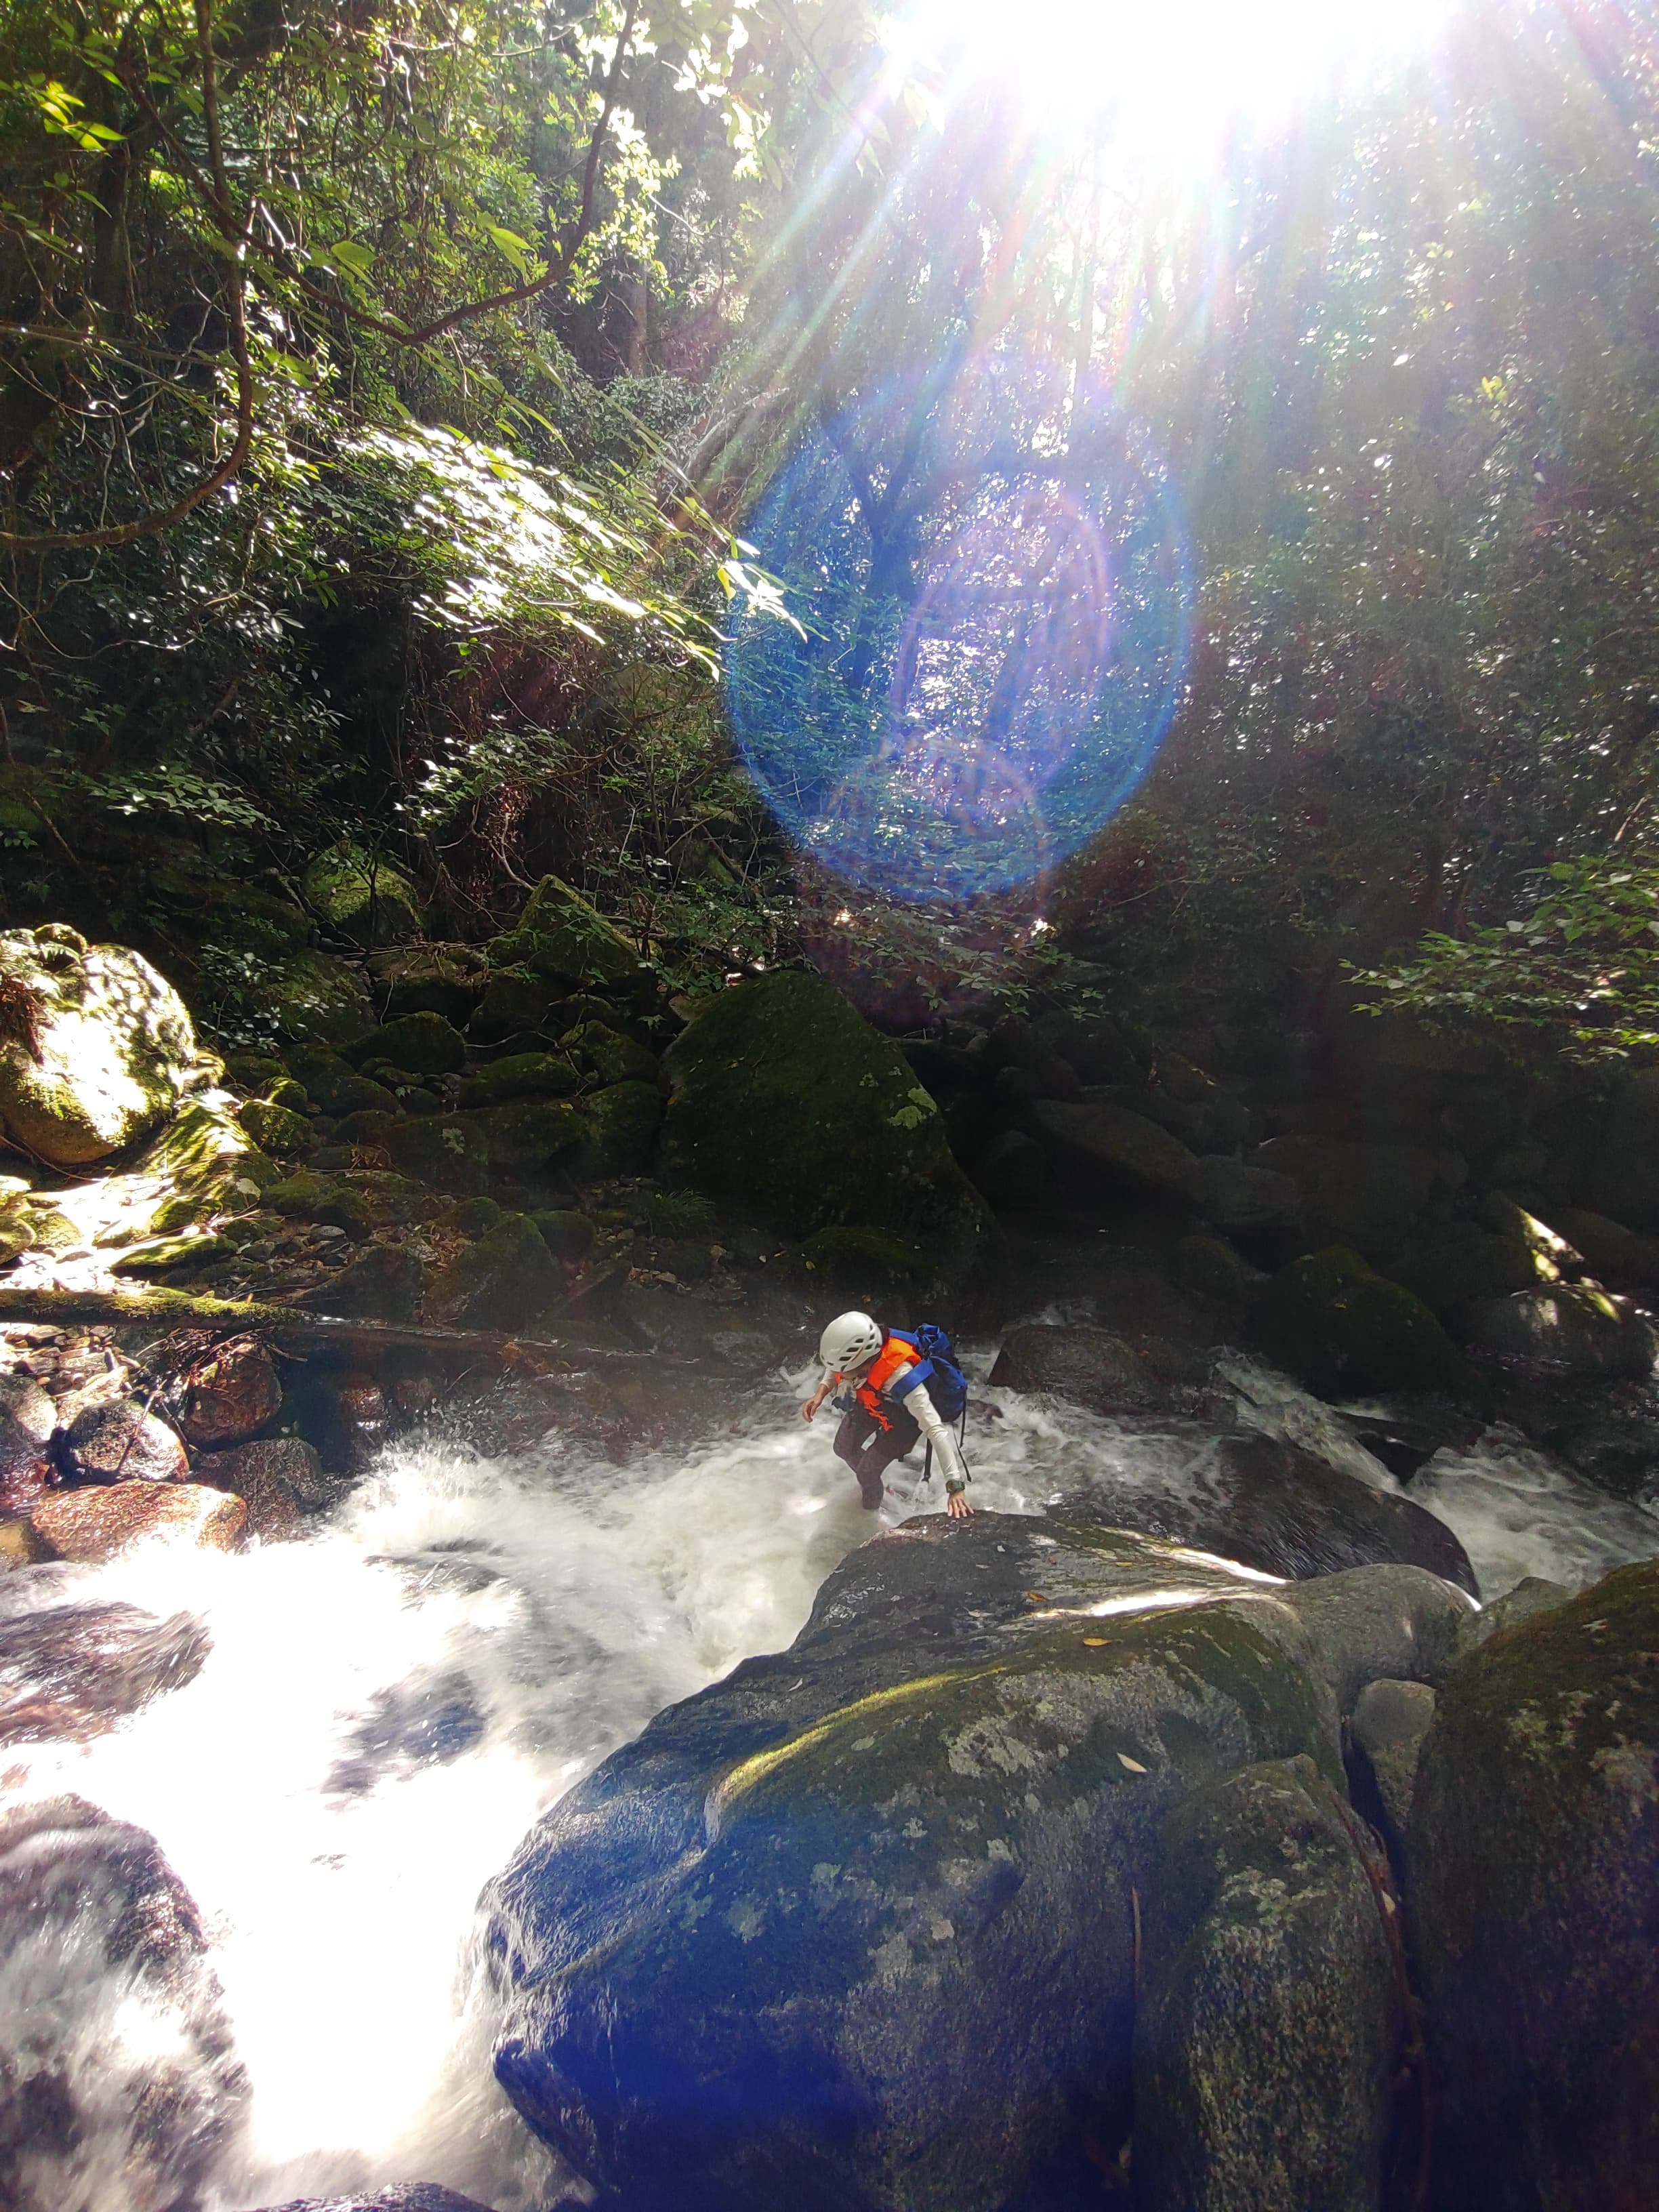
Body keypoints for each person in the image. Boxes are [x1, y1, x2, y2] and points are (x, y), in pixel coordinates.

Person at [801, 1310, 972, 1518]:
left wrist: (955, 1487)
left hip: (902, 1424)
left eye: (842, 1370)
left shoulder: (901, 1376)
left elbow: (935, 1428)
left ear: (862, 1361)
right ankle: (883, 1489)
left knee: (866, 1472)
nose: (837, 1374)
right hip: (872, 1402)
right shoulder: (854, 1362)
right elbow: (835, 1368)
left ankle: (871, 1515)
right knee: (842, 1447)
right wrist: (820, 1393)